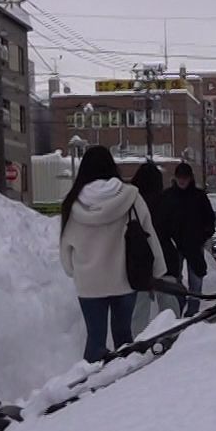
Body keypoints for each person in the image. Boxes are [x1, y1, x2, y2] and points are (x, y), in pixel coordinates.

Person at [59, 146, 167, 363]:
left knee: (95, 339)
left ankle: (90, 385)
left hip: (89, 284)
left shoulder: (72, 203)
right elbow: (149, 235)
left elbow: (66, 247)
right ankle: (123, 384)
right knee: (123, 336)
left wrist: (73, 270)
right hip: (124, 278)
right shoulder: (131, 197)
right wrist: (158, 270)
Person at [161, 162, 216, 315]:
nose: (182, 181)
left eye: (184, 178)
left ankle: (192, 311)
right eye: (180, 177)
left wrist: (203, 236)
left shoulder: (198, 196)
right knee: (176, 280)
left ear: (190, 178)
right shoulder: (168, 197)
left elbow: (210, 220)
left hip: (193, 244)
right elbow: (162, 221)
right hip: (175, 245)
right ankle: (181, 306)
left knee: (196, 280)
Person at [128, 163, 181, 326]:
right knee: (169, 304)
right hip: (166, 259)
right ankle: (172, 338)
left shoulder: (131, 204)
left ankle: (139, 343)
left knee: (139, 309)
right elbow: (177, 230)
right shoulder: (167, 201)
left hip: (139, 262)